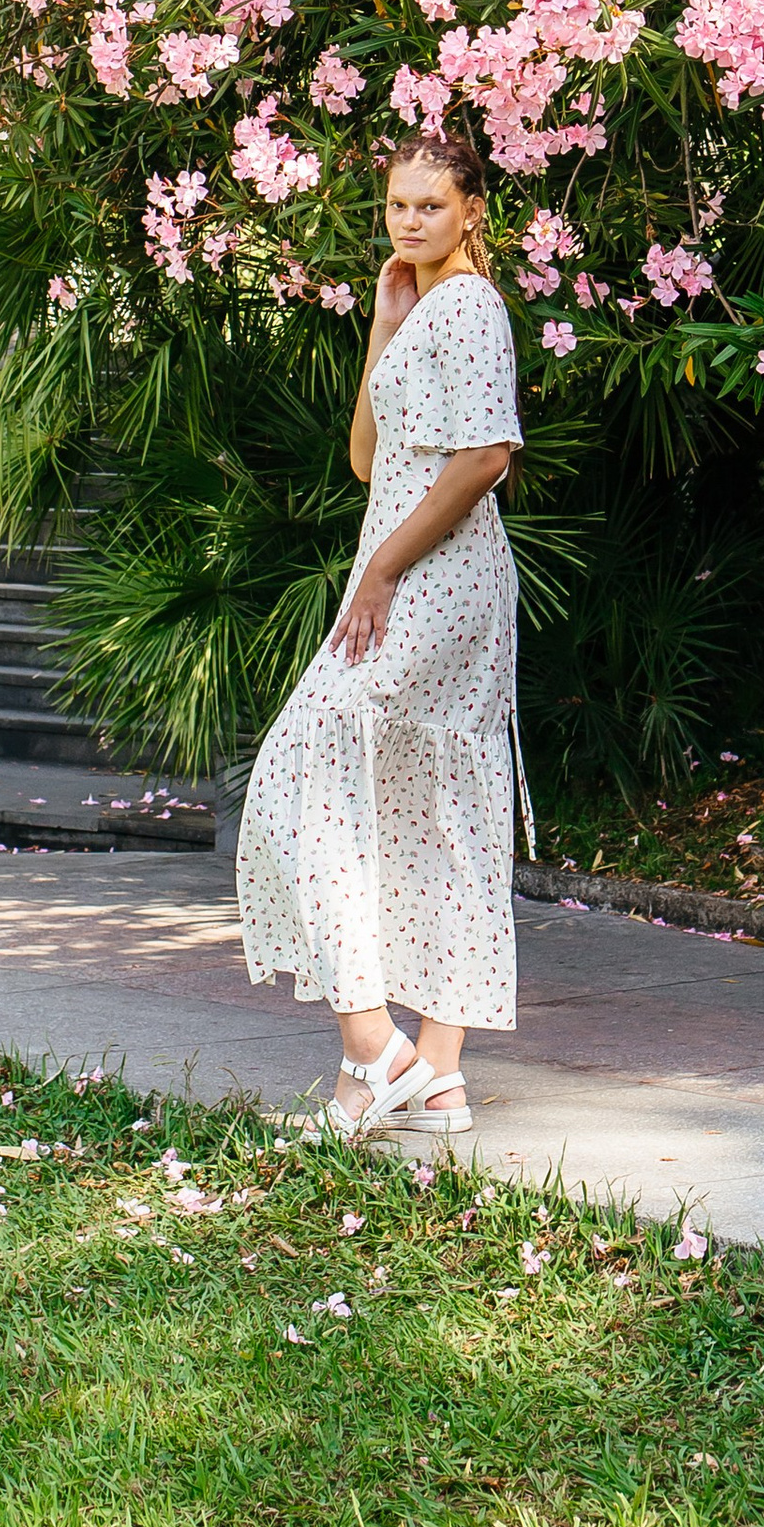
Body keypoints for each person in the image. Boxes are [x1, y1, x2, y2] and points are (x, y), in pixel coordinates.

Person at [235, 128, 530, 1141]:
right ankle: (432, 1080)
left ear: (472, 212)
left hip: (437, 583)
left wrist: (382, 572)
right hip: (408, 574)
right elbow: (368, 458)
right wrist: (382, 322)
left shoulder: (474, 306)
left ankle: (376, 1050)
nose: (409, 221)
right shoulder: (423, 306)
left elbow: (485, 458)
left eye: (430, 206)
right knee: (434, 808)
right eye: (398, 205)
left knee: (302, 767)